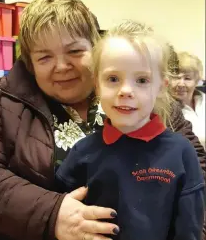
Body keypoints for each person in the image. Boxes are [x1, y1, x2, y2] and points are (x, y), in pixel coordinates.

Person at [0, 0, 205, 240]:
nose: (62, 66)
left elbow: (197, 173)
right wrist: (51, 213)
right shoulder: (6, 99)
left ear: (95, 48)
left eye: (75, 52)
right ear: (30, 64)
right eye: (44, 57)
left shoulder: (146, 95)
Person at [55, 20, 205, 240]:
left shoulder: (182, 153)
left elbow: (189, 228)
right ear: (97, 85)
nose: (126, 90)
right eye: (113, 79)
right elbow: (62, 213)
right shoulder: (82, 152)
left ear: (160, 87)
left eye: (142, 80)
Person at [169, 51, 205, 149]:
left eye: (187, 78)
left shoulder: (203, 100)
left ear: (197, 81)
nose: (181, 84)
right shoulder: (167, 111)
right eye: (176, 77)